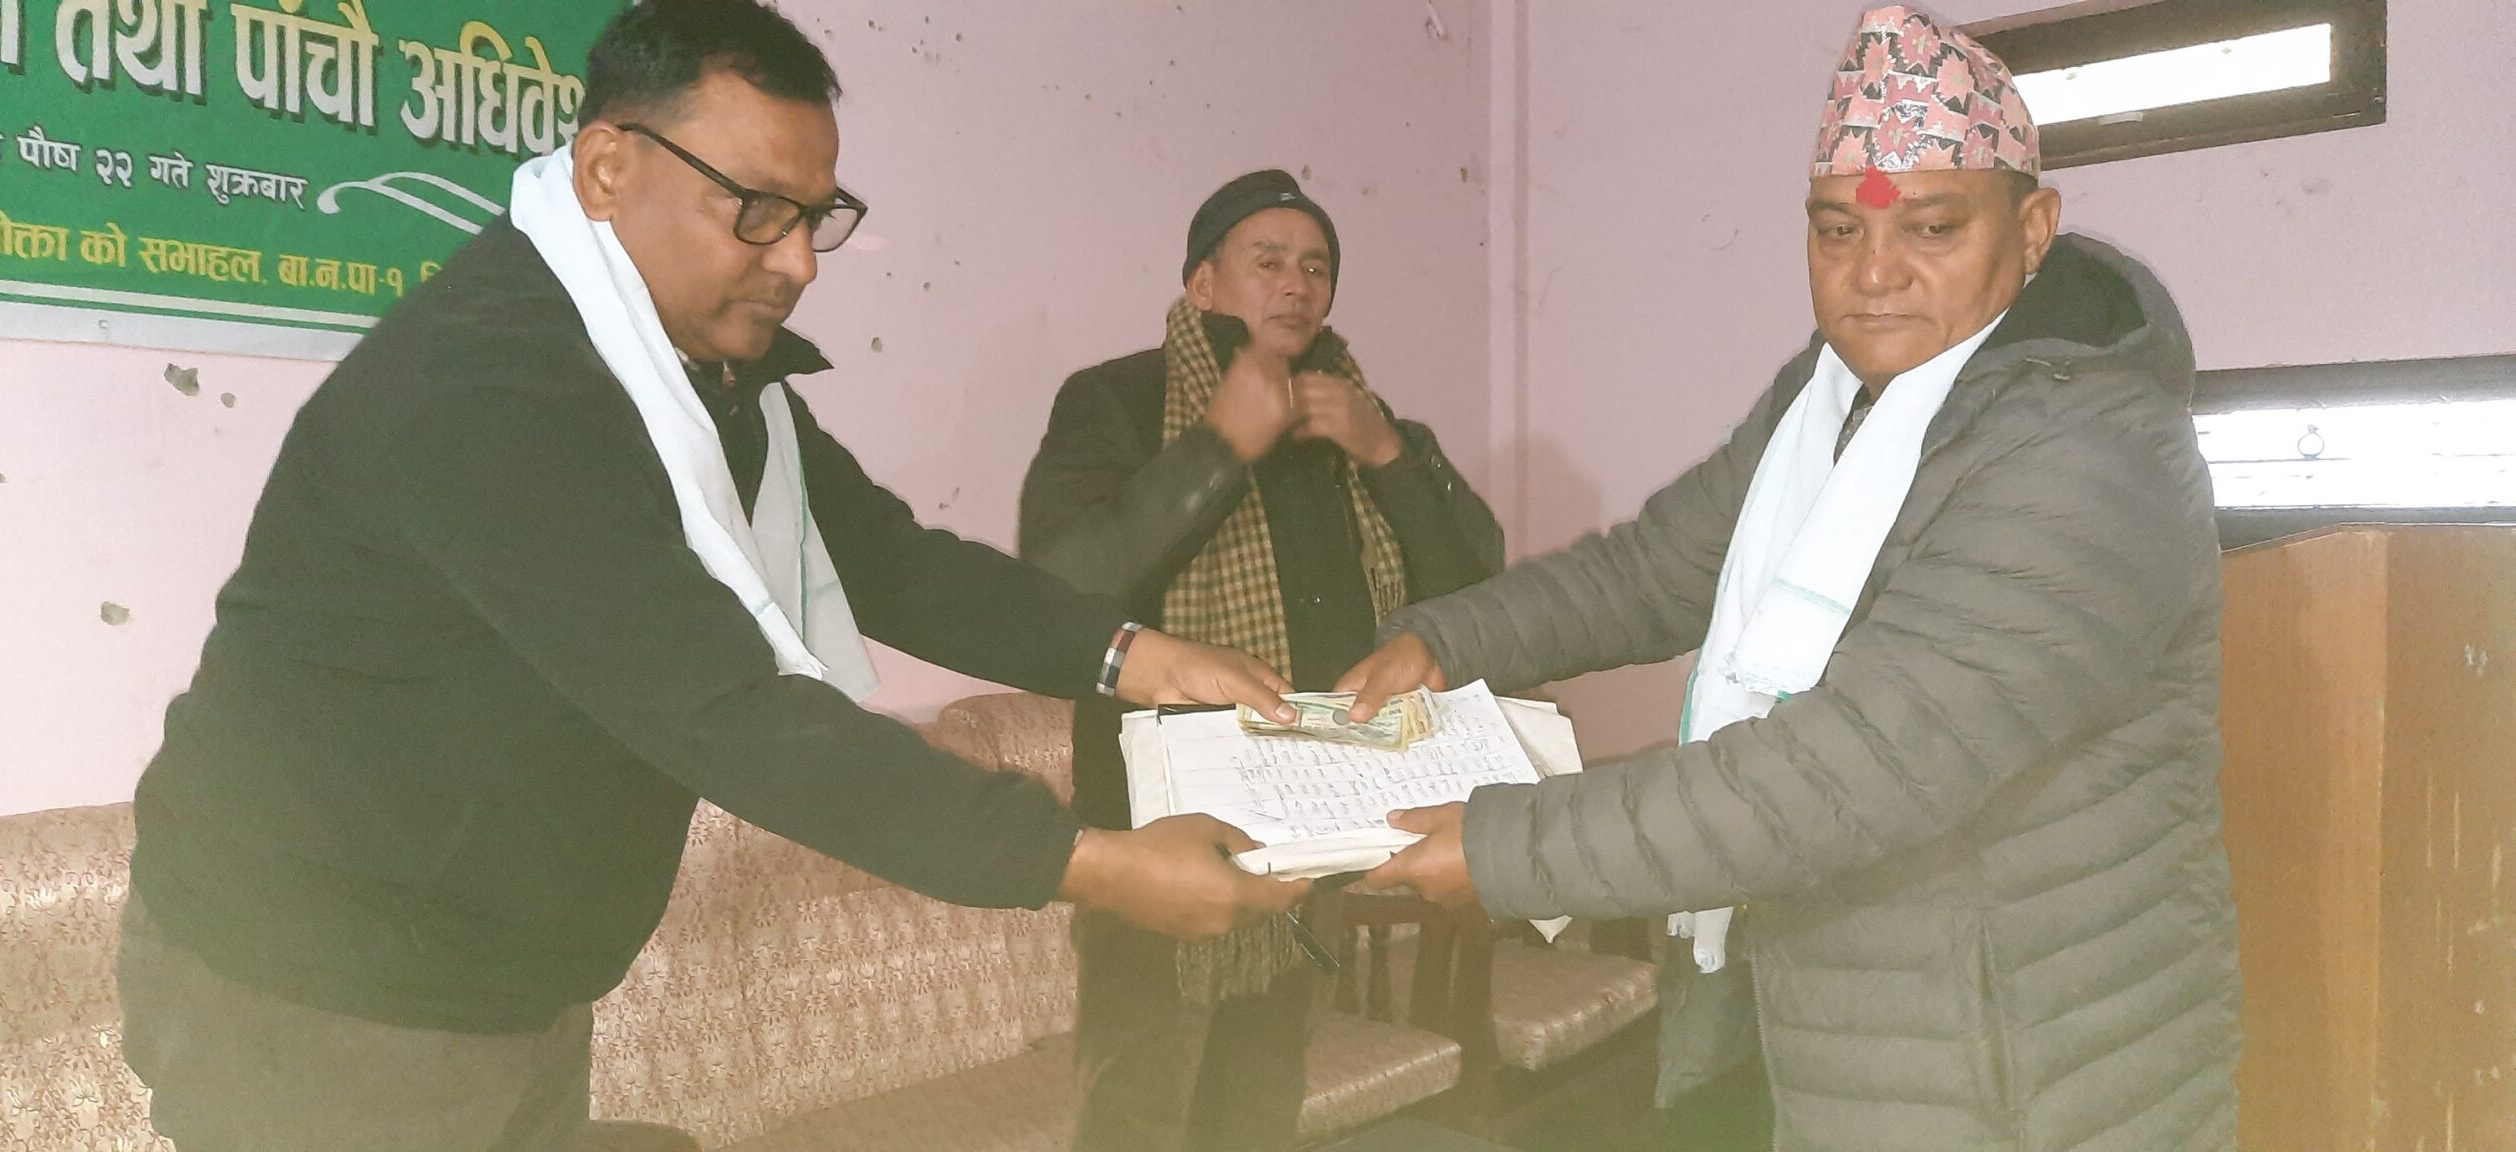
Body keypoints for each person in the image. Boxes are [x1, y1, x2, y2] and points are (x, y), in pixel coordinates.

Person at [115, 4, 1310, 1149]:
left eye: (813, 218)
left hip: (485, 965)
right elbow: (726, 711)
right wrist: (1085, 863)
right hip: (319, 984)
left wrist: (1132, 656)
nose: (796, 263)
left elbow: (886, 558)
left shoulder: (701, 378)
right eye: (754, 211)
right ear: (607, 169)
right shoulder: (492, 386)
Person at [1347, 7, 2242, 1150]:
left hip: (2019, 1079)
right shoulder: (1828, 400)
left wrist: (1503, 850)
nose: (1872, 275)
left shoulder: (2091, 456)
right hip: (1828, 1026)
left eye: (1931, 228)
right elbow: (1655, 570)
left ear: (2031, 232)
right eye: (1835, 231)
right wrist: (1445, 640)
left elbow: (1851, 765)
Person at [1018, 170, 1504, 1151]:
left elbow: (1475, 585)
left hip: (1314, 821)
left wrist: (1388, 454)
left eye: (1315, 268)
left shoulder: (1355, 419)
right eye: (1268, 260)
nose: (1296, 284)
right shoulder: (1118, 399)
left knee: (1261, 1101)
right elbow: (1059, 583)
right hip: (1159, 833)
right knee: (1138, 1108)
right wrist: (1220, 445)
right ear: (1201, 284)